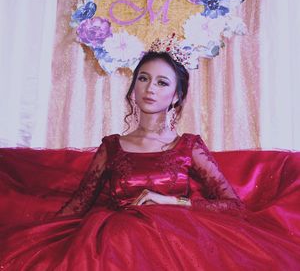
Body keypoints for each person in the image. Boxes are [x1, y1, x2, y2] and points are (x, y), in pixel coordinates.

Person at [0, 51, 299, 270]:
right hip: (117, 242)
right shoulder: (112, 147)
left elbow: (233, 205)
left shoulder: (188, 146)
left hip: (179, 239)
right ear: (133, 88)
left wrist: (170, 202)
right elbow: (79, 204)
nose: (150, 88)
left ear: (176, 96)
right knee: (122, 235)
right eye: (143, 78)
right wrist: (36, 239)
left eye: (161, 82)